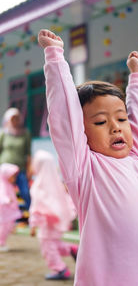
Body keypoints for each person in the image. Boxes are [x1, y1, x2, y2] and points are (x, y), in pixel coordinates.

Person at [38, 29, 138, 286]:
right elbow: (64, 117)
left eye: (121, 119)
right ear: (81, 131)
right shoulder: (85, 168)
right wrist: (55, 57)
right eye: (101, 121)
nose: (116, 127)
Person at [29, 150, 78, 280]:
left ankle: (61, 269)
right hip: (56, 222)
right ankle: (71, 249)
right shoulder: (56, 184)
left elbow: (36, 207)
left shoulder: (39, 185)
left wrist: (33, 224)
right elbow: (65, 201)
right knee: (54, 244)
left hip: (46, 224)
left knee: (47, 248)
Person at [0, 108, 31, 213]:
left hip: (20, 170)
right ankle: (5, 216)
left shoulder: (25, 134)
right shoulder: (3, 133)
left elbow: (28, 153)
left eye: (17, 118)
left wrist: (29, 170)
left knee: (25, 192)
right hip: (5, 171)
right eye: (13, 119)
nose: (15, 121)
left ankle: (31, 215)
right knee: (5, 193)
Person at [0, 163, 21, 251]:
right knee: (4, 228)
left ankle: (2, 242)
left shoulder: (8, 184)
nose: (14, 178)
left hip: (9, 211)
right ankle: (1, 243)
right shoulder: (3, 184)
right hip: (5, 211)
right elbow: (2, 196)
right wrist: (7, 200)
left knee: (8, 227)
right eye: (12, 176)